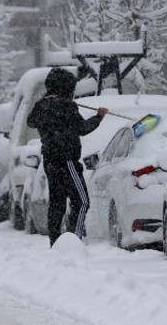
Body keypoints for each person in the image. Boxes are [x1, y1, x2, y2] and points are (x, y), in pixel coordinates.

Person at [27, 68, 108, 247]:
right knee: (82, 201)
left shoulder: (42, 105)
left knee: (57, 203)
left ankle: (56, 242)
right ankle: (74, 240)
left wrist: (46, 103)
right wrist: (99, 117)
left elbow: (31, 121)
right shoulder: (66, 106)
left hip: (50, 161)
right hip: (67, 160)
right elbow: (82, 128)